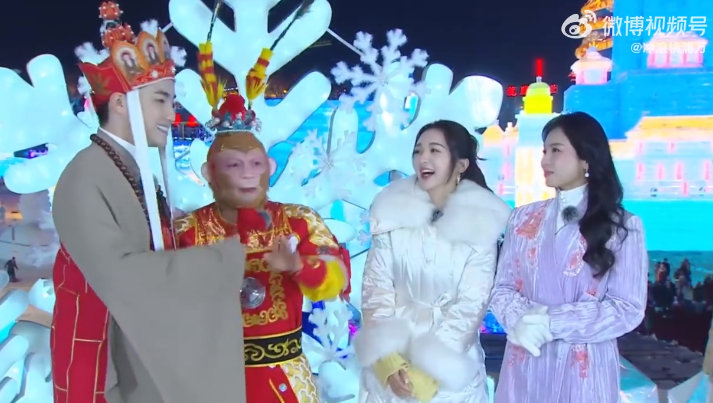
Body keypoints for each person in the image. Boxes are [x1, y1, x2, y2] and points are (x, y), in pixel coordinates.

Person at [50, 2, 246, 402]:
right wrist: (226, 261)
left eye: (171, 102)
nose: (172, 115)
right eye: (161, 100)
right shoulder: (84, 177)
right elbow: (121, 277)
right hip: (101, 358)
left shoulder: (130, 168)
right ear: (120, 103)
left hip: (138, 347)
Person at [174, 41, 350, 401]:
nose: (247, 174)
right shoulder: (185, 232)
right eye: (233, 165)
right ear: (208, 172)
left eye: (255, 164)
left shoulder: (298, 221)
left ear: (269, 168)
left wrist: (298, 266)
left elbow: (337, 279)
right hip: (210, 379)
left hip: (285, 379)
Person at [490, 112, 648, 402]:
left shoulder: (622, 226)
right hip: (526, 364)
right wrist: (520, 321)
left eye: (556, 151)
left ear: (586, 159)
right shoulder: (522, 218)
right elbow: (502, 288)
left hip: (585, 371)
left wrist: (550, 322)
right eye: (544, 151)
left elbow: (627, 307)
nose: (544, 161)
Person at [353, 120, 510, 402]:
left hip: (451, 369)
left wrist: (428, 368)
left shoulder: (481, 221)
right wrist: (389, 362)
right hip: (392, 362)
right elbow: (375, 291)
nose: (423, 159)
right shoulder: (391, 212)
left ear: (460, 165)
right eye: (418, 151)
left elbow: (471, 305)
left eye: (434, 150)